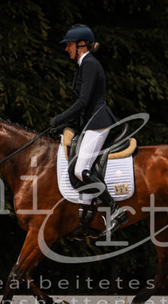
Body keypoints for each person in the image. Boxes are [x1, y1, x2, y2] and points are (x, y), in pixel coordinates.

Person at [49, 24, 128, 236]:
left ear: (81, 44)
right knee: (82, 170)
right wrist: (64, 125)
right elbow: (84, 103)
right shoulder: (84, 65)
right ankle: (84, 224)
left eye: (69, 45)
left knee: (80, 170)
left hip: (98, 123)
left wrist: (60, 118)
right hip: (90, 123)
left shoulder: (90, 64)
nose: (66, 49)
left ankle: (116, 210)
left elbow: (83, 101)